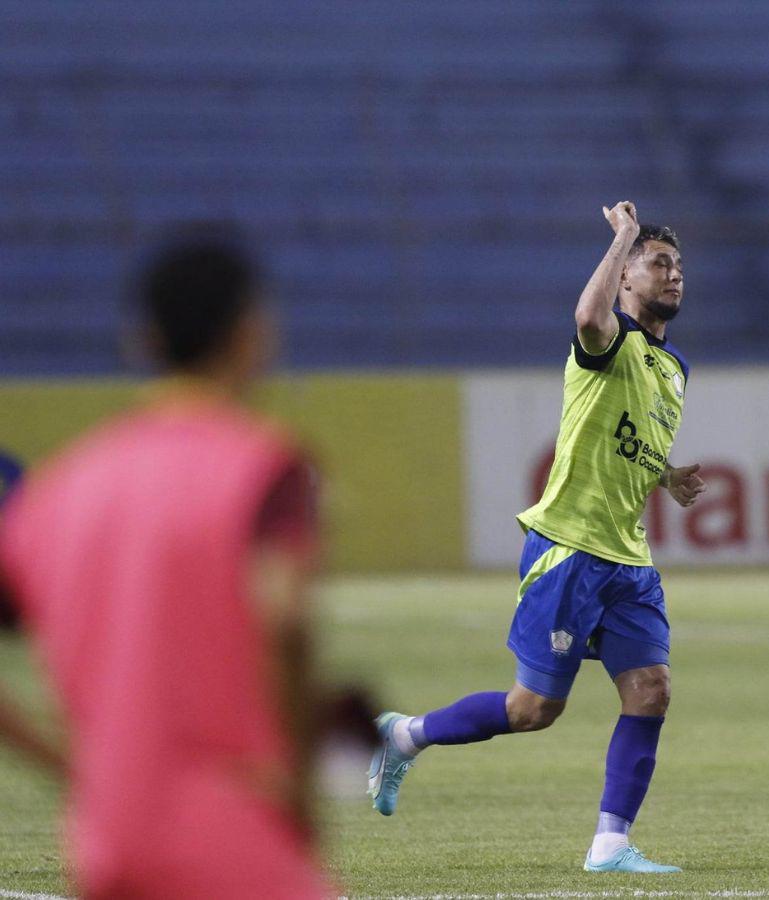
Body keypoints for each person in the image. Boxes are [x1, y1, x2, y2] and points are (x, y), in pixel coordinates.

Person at [369, 201, 705, 873]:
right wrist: (622, 241)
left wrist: (666, 476)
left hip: (627, 560)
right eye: (657, 264)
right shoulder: (607, 340)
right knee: (532, 710)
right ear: (627, 279)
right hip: (570, 550)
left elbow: (628, 440)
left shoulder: (675, 370)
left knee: (652, 690)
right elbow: (587, 316)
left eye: (677, 267)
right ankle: (404, 735)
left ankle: (610, 844)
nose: (672, 276)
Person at [0, 234, 333, 899]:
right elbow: (286, 620)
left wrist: (77, 769)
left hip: (108, 841)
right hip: (233, 832)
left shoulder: (58, 489)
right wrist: (297, 786)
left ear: (144, 341)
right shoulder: (266, 468)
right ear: (251, 333)